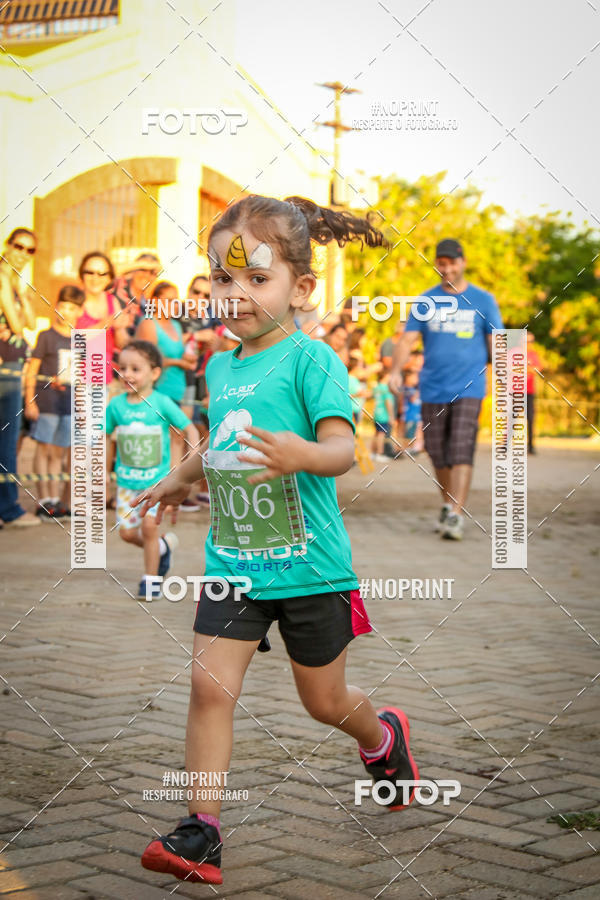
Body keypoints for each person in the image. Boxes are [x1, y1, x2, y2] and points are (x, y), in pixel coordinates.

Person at [135, 194, 419, 886]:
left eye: (256, 279)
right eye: (223, 279)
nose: (236, 295)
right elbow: (225, 443)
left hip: (311, 567)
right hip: (233, 561)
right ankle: (201, 829)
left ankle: (382, 737)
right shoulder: (220, 367)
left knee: (323, 702)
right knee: (209, 688)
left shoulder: (311, 360)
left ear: (302, 287)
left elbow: (340, 451)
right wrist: (179, 478)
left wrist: (302, 453)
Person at [390, 239, 503, 540]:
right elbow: (408, 339)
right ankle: (447, 505)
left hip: (470, 386)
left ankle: (455, 513)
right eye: (441, 262)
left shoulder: (483, 300)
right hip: (433, 387)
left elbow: (497, 340)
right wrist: (395, 371)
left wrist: (502, 376)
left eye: (452, 262)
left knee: (461, 448)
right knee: (437, 452)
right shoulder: (426, 301)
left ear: (463, 262)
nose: (447, 268)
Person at [105, 340, 199, 600]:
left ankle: (151, 580)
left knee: (148, 528)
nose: (127, 374)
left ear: (155, 373)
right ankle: (162, 547)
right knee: (126, 533)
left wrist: (189, 463)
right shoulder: (115, 406)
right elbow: (105, 436)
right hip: (126, 483)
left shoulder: (162, 402)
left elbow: (189, 428)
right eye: (123, 368)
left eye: (136, 368)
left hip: (156, 483)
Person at [24, 285, 85, 519]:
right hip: (46, 401)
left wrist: (80, 406)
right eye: (62, 305)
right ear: (56, 306)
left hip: (67, 405)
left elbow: (80, 378)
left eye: (72, 307)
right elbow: (32, 370)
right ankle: (44, 498)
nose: (65, 311)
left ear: (79, 311)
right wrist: (30, 400)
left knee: (59, 453)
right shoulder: (45, 336)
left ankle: (56, 500)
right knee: (44, 449)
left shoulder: (80, 340)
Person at [0, 227, 40, 527]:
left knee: (8, 438)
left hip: (13, 365)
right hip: (6, 369)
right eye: (19, 247)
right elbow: (17, 325)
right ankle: (9, 509)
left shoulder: (14, 280)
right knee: (7, 438)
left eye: (30, 250)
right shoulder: (2, 275)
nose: (23, 254)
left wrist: (22, 290)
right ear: (7, 245)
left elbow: (29, 320)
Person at [76, 251, 129, 385]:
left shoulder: (112, 301)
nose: (95, 278)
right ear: (82, 275)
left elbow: (121, 343)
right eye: (90, 272)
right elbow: (68, 340)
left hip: (103, 380)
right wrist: (105, 323)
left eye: (102, 273)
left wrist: (120, 327)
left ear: (109, 278)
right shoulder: (74, 299)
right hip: (76, 382)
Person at [112, 252, 162, 334]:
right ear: (133, 270)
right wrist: (141, 265)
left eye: (152, 272)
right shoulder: (118, 287)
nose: (146, 276)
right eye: (143, 269)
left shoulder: (149, 304)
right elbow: (108, 272)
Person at [371, 370, 394, 462]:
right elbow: (388, 402)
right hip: (383, 415)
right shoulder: (385, 389)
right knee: (381, 434)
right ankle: (379, 453)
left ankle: (373, 452)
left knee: (376, 433)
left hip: (376, 413)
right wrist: (391, 416)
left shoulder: (376, 388)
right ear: (385, 377)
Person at [526, 330, 541, 455]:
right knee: (510, 418)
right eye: (526, 341)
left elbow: (537, 370)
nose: (529, 343)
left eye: (531, 341)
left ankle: (530, 446)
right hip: (514, 390)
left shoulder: (534, 355)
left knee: (530, 418)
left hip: (529, 391)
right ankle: (505, 445)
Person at [402, 371, 423, 455]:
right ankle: (407, 449)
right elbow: (412, 399)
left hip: (417, 416)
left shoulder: (414, 389)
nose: (416, 379)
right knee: (409, 433)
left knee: (416, 433)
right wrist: (418, 391)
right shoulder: (405, 389)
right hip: (409, 416)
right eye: (413, 377)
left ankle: (415, 448)